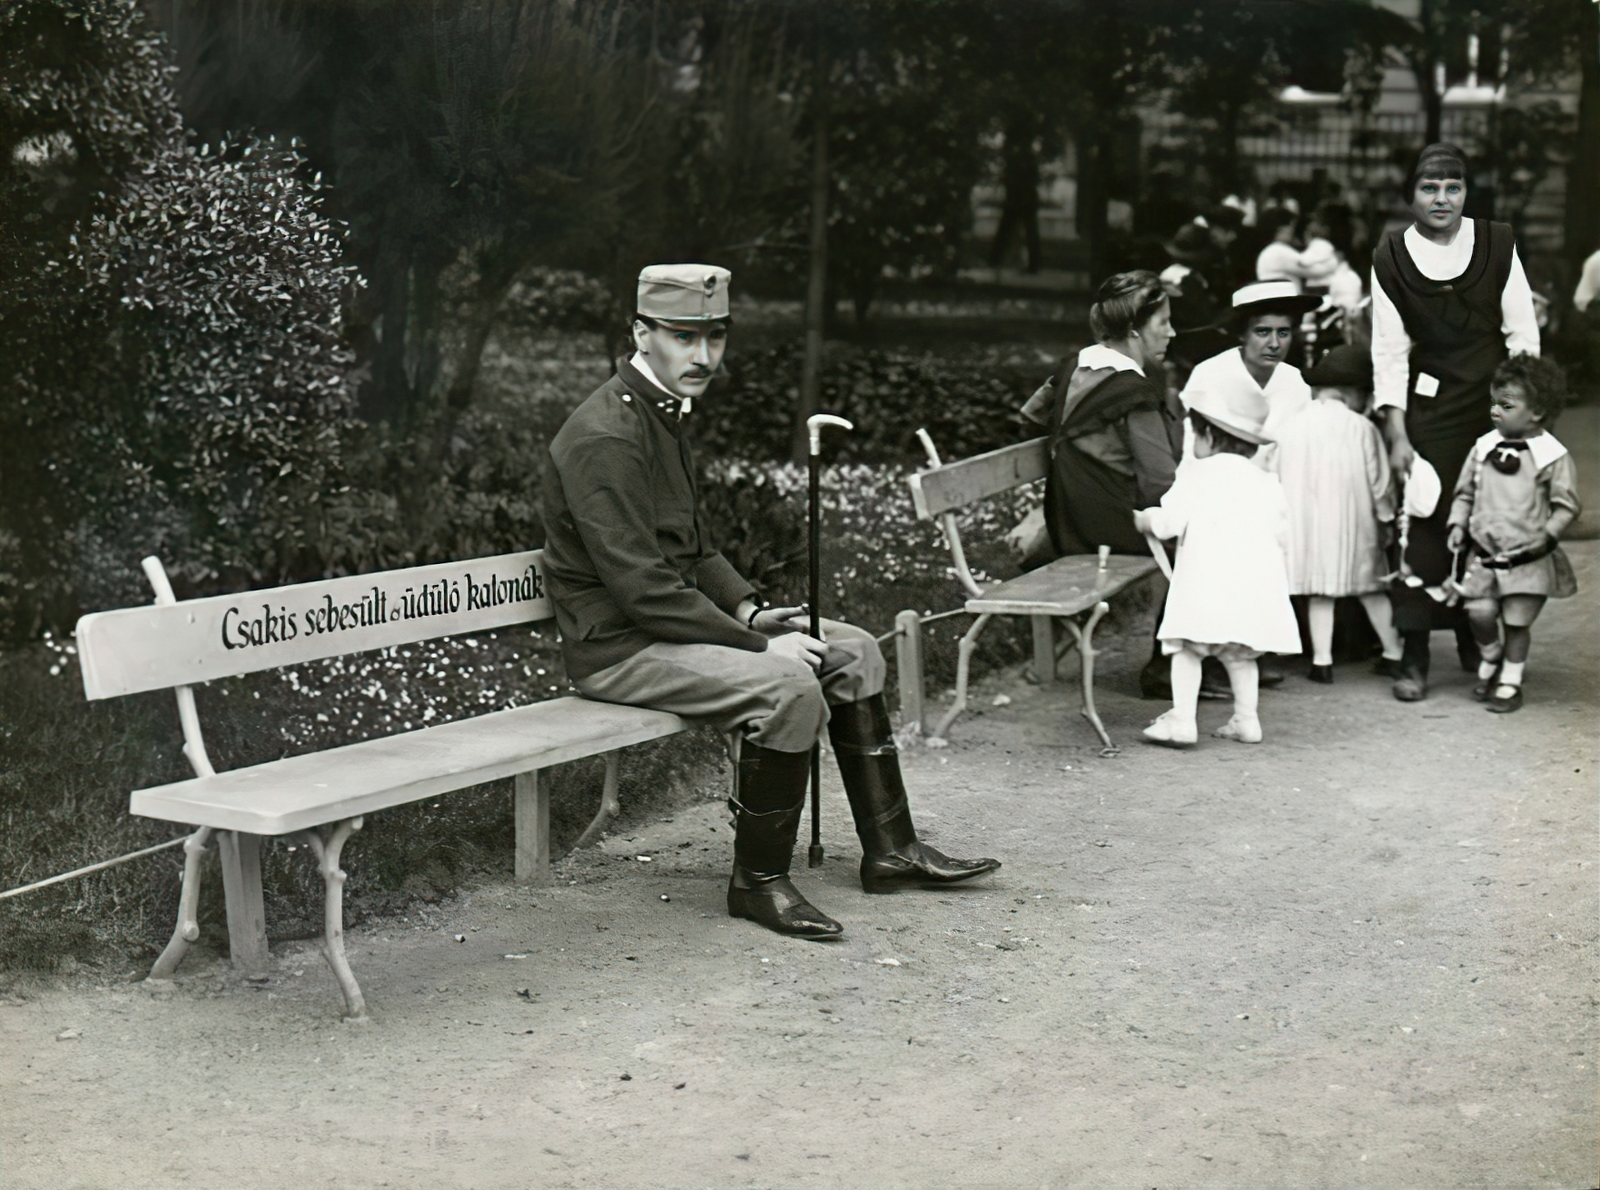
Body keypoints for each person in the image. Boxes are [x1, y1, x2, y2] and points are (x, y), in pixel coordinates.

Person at [541, 263, 999, 941]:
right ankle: (758, 883)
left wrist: (751, 611)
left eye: (715, 337)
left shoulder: (660, 414)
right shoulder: (608, 434)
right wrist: (758, 647)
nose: (703, 356)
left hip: (663, 629)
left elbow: (693, 551)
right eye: (682, 337)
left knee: (853, 652)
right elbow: (642, 590)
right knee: (788, 687)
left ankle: (893, 852)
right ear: (641, 333)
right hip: (619, 648)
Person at [1370, 142, 1541, 701]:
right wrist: (1396, 430)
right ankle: (1415, 654)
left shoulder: (1497, 243)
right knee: (1427, 515)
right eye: (1429, 188)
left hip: (1494, 399)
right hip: (1433, 402)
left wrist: (1522, 413)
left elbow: (1523, 334)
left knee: (1491, 516)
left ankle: (1476, 639)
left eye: (1452, 187)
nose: (1441, 199)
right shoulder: (1391, 257)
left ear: (1465, 192)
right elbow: (1390, 352)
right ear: (1411, 195)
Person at [1018, 270, 1186, 698]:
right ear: (1133, 331)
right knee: (1203, 537)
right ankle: (1169, 668)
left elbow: (1031, 416)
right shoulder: (1135, 393)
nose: (1171, 331)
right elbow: (1160, 482)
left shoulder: (1073, 366)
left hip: (1066, 514)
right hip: (1111, 527)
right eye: (1162, 322)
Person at [1134, 376, 1302, 747]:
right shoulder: (1266, 482)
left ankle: (1182, 719)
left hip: (1205, 587)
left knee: (1189, 651)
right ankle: (1246, 720)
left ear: (1206, 436)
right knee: (1240, 656)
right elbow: (1283, 534)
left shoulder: (1195, 476)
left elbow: (1168, 523)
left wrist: (1145, 518)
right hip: (1251, 588)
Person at [1447, 355, 1580, 713]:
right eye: (1493, 403)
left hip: (1528, 556)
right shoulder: (1483, 448)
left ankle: (1510, 679)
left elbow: (1565, 504)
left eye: (1505, 405)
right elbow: (1465, 493)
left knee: (1517, 620)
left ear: (1536, 412)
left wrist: (1548, 534)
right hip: (1486, 554)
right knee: (1478, 610)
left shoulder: (1551, 455)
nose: (1494, 411)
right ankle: (1491, 650)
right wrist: (1458, 524)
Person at [1274, 345, 1404, 681]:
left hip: (1308, 530)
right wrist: (1387, 517)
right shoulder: (1362, 428)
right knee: (1372, 590)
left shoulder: (1290, 428)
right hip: (1355, 528)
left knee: (1320, 593)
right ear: (1354, 392)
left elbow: (1275, 477)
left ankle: (1322, 662)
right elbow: (1380, 482)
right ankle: (1394, 652)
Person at [1179, 280, 1320, 473]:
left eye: (1283, 332)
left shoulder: (1295, 380)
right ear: (1242, 334)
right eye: (1263, 332)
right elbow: (1193, 449)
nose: (1274, 343)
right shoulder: (1210, 374)